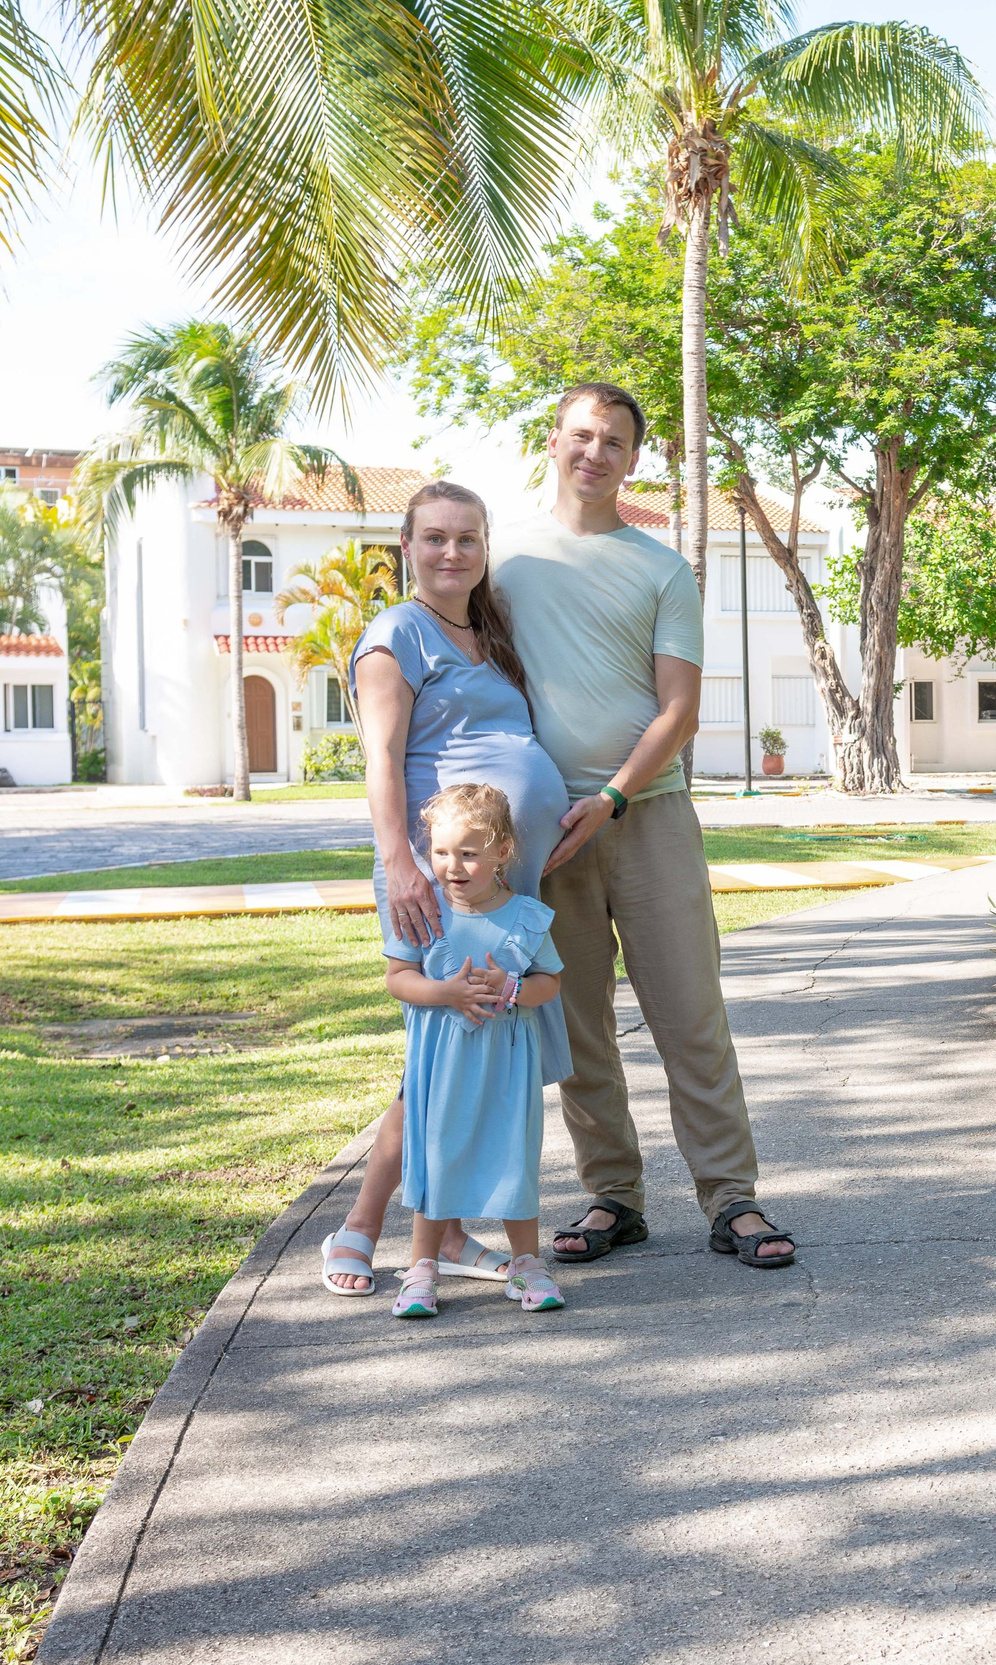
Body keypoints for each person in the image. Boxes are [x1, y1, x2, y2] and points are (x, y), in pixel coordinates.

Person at [495, 381, 797, 1269]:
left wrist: (615, 797)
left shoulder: (661, 567)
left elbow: (680, 710)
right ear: (552, 442)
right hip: (543, 830)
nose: (595, 452)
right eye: (581, 435)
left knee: (690, 1015)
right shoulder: (501, 559)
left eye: (615, 442)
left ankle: (732, 1198)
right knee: (577, 1025)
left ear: (634, 460)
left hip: (646, 814)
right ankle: (611, 1199)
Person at [318, 483, 572, 1297]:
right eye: (434, 538)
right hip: (438, 877)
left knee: (473, 1058)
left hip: (498, 874)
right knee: (431, 1068)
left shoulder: (486, 633)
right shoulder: (396, 635)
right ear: (406, 546)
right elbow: (382, 758)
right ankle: (359, 1227)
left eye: (467, 538)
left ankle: (454, 1235)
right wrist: (399, 860)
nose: (451, 553)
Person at [382, 784, 566, 1318]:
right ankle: (421, 1269)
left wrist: (513, 990)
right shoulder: (422, 912)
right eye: (441, 852)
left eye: (469, 853)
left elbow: (549, 982)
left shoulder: (527, 917)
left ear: (502, 852)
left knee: (513, 1153)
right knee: (437, 1154)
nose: (453, 866)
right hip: (441, 1066)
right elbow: (398, 979)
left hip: (507, 1064)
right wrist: (445, 993)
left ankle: (527, 1264)